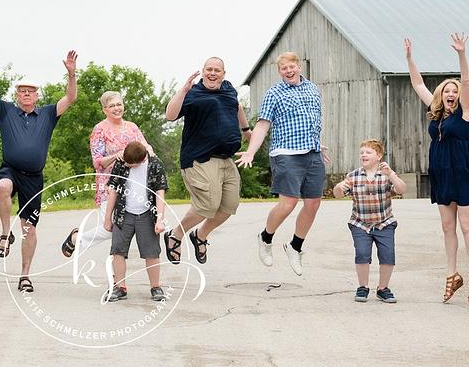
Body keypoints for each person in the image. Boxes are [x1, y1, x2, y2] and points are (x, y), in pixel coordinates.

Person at [0, 49, 79, 293]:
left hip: (34, 179)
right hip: (10, 169)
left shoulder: (47, 113)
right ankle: (4, 234)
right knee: (3, 186)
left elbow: (70, 98)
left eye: (30, 92)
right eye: (21, 91)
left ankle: (25, 275)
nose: (25, 95)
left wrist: (72, 74)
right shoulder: (6, 111)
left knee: (29, 228)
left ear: (36, 96)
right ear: (17, 95)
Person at [405, 34, 469, 303]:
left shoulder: (465, 112)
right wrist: (409, 58)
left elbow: (466, 81)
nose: (451, 94)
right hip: (441, 170)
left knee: (466, 225)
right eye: (447, 91)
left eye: (454, 91)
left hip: (463, 169)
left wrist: (461, 54)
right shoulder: (435, 109)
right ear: (442, 94)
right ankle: (452, 275)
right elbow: (418, 83)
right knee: (446, 226)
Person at [236, 51, 329, 276]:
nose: (288, 71)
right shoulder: (274, 94)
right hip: (286, 154)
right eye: (284, 68)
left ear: (299, 67)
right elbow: (263, 125)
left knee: (313, 204)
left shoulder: (312, 89)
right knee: (288, 204)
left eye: (292, 67)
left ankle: (295, 247)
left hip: (312, 153)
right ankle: (265, 238)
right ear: (279, 72)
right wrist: (250, 152)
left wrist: (316, 143)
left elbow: (312, 120)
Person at [163, 57, 252, 265]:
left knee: (230, 206)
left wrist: (246, 129)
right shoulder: (193, 93)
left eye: (217, 70)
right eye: (209, 69)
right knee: (207, 205)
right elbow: (170, 115)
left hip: (227, 158)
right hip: (200, 158)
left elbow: (236, 106)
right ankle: (175, 235)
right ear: (203, 71)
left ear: (224, 73)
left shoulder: (229, 89)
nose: (213, 73)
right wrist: (183, 90)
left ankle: (200, 236)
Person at [60, 91, 152, 260]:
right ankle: (77, 238)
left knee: (123, 230)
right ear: (104, 110)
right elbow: (97, 162)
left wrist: (151, 155)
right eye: (112, 106)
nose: (117, 108)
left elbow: (145, 145)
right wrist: (115, 155)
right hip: (109, 186)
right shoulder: (100, 129)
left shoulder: (132, 127)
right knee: (109, 228)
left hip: (133, 186)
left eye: (119, 104)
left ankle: (117, 276)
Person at [332, 139, 408, 302]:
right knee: (362, 254)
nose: (364, 155)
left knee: (387, 256)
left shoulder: (386, 175)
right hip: (360, 223)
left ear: (379, 156)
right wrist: (339, 187)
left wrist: (391, 175)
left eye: (368, 152)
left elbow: (402, 189)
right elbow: (337, 194)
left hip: (384, 223)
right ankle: (363, 287)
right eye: (362, 153)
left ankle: (382, 288)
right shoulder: (353, 176)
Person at [102, 141, 169, 303]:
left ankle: (155, 287)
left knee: (152, 252)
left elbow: (160, 193)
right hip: (123, 213)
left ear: (142, 161)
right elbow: (113, 191)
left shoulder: (155, 165)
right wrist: (107, 218)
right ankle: (120, 287)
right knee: (117, 251)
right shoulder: (120, 162)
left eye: (129, 164)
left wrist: (159, 220)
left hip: (147, 213)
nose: (126, 165)